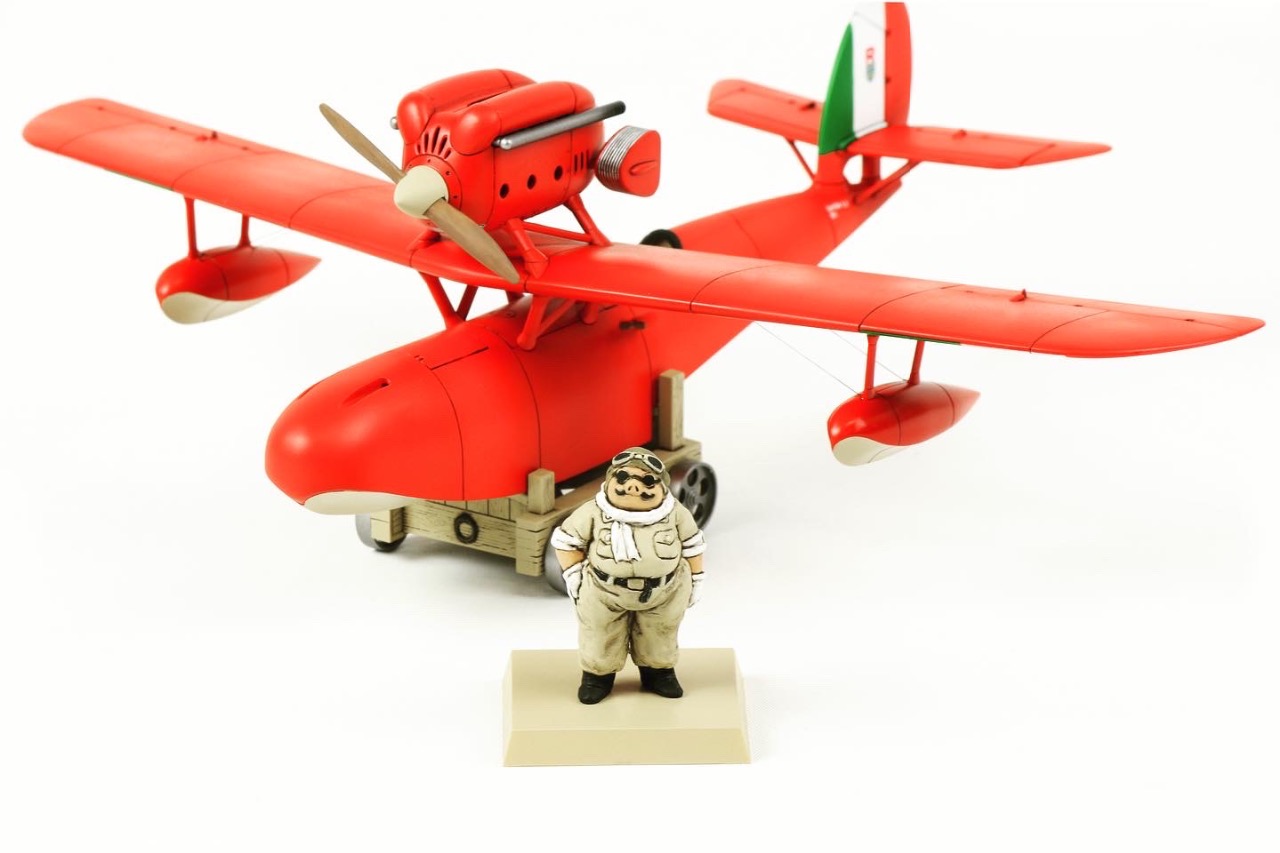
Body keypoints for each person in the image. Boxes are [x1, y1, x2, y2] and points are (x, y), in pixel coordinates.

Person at [550, 447, 706, 704]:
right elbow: (566, 541)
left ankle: (658, 673)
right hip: (603, 591)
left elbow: (693, 545)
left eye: (647, 480)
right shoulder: (593, 511)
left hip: (664, 592)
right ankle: (597, 677)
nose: (633, 486)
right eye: (623, 478)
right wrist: (574, 575)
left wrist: (697, 580)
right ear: (610, 480)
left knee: (660, 634)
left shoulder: (676, 513)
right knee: (599, 634)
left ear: (662, 487)